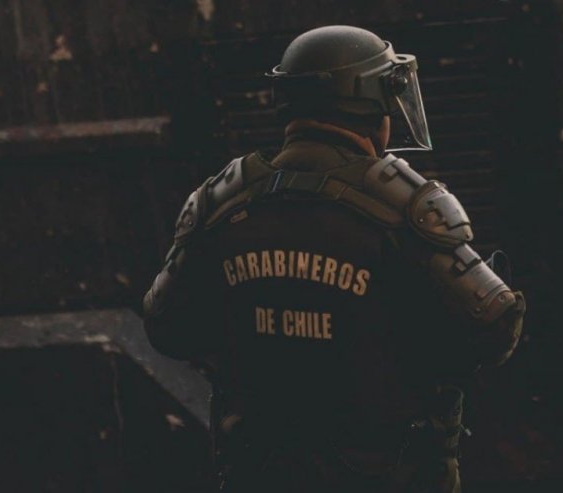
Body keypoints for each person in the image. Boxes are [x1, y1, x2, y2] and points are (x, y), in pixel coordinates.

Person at [143, 25, 525, 493]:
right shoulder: (404, 204)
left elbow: (167, 328)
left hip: (261, 472)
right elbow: (493, 329)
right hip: (387, 474)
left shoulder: (221, 201)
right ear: (370, 103)